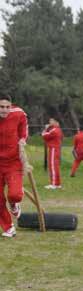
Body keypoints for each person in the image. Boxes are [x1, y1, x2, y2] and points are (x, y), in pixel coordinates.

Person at [0, 93, 28, 238]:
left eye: (7, 107)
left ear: (11, 107)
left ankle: (14, 204)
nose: (4, 110)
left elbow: (24, 125)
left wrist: (23, 138)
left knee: (15, 194)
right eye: (1, 107)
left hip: (13, 162)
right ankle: (8, 228)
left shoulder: (18, 113)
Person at [42, 118, 63, 189]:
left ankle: (53, 184)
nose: (50, 122)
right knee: (55, 166)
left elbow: (44, 135)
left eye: (51, 121)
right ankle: (58, 183)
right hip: (56, 148)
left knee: (52, 166)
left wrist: (46, 128)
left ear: (56, 122)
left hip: (53, 149)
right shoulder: (58, 130)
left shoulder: (54, 130)